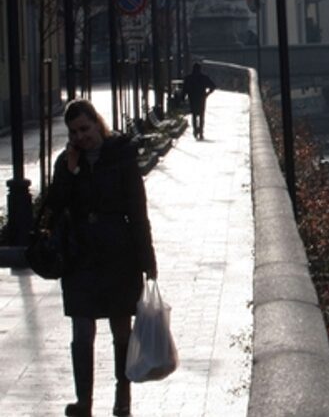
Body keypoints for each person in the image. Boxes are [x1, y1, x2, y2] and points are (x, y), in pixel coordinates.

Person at [44, 99, 158, 417]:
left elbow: (137, 210)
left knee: (121, 332)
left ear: (97, 123)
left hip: (118, 256)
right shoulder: (65, 162)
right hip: (79, 257)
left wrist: (147, 259)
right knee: (82, 333)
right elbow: (54, 207)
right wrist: (68, 172)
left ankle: (123, 399)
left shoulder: (121, 155)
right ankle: (84, 401)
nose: (81, 136)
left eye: (85, 128)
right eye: (74, 132)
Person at [182, 62, 216, 139]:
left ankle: (195, 130)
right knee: (201, 115)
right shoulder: (204, 78)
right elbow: (213, 86)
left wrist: (183, 98)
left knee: (194, 115)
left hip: (192, 98)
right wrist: (207, 94)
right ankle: (200, 131)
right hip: (201, 98)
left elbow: (184, 90)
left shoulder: (188, 78)